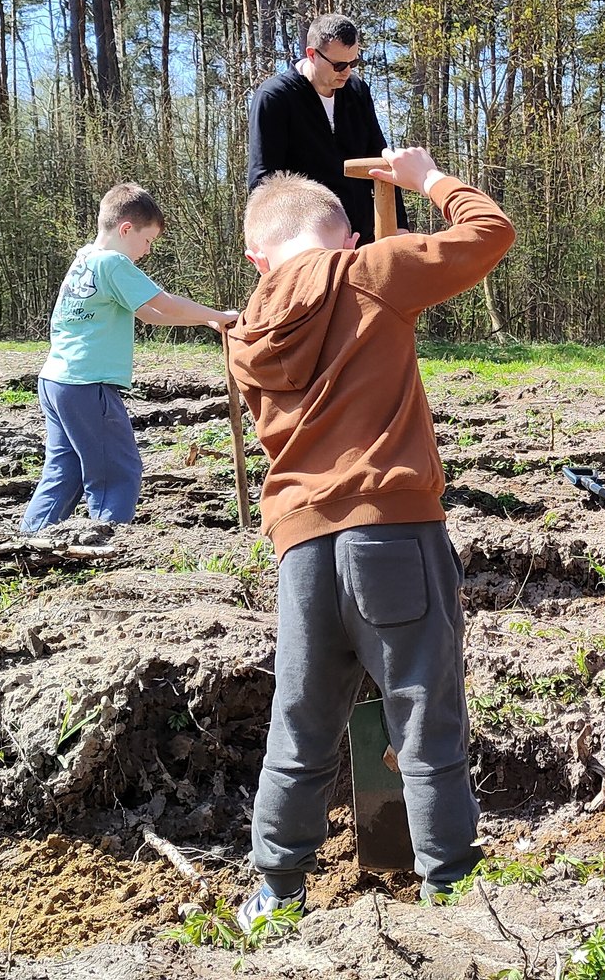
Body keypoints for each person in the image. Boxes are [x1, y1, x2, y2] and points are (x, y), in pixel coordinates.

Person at [225, 148, 513, 931]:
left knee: (302, 721)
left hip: (303, 551)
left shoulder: (244, 330)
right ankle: (450, 888)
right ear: (344, 238)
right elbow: (489, 231)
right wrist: (425, 180)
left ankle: (277, 892)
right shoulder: (367, 273)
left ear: (257, 255)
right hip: (392, 535)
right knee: (426, 715)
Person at [20, 184, 238, 532]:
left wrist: (207, 319)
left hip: (56, 382)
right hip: (88, 384)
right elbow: (163, 302)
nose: (147, 251)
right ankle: (105, 541)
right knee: (119, 472)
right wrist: (218, 313)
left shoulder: (85, 260)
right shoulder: (113, 263)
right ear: (125, 229)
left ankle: (31, 540)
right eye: (147, 240)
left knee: (66, 469)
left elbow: (149, 314)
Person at [246, 13, 409, 243]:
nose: (347, 72)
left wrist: (399, 226)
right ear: (312, 54)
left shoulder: (357, 91)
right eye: (339, 64)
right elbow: (264, 182)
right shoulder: (275, 97)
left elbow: (381, 160)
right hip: (308, 243)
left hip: (362, 239)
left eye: (353, 63)